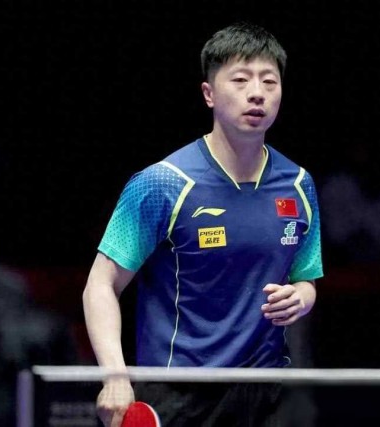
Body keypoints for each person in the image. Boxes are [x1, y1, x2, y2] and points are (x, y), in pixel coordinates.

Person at [82, 21, 323, 427]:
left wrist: (300, 297)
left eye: (269, 81)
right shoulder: (162, 184)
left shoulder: (299, 185)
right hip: (179, 393)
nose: (257, 93)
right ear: (209, 94)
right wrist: (116, 376)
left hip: (265, 392)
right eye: (241, 80)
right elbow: (101, 285)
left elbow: (306, 281)